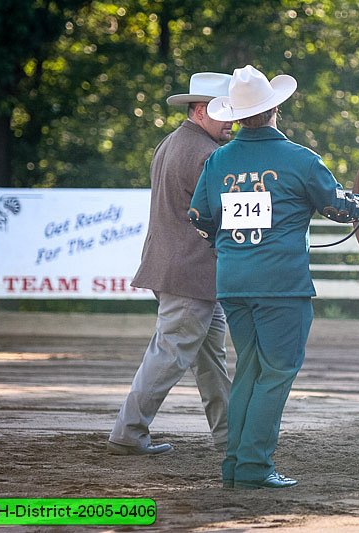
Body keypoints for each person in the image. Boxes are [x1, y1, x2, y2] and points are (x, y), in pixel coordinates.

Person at [189, 65, 359, 489]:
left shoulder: (218, 160)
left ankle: (235, 463)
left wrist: (230, 244)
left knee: (249, 368)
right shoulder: (300, 160)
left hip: (232, 282)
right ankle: (253, 465)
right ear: (274, 111)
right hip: (281, 285)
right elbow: (341, 207)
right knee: (278, 370)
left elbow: (198, 217)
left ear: (236, 115)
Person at [108, 72, 235, 455]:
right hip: (190, 272)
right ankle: (128, 431)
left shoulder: (172, 142)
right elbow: (223, 214)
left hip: (177, 268)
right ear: (199, 111)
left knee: (210, 357)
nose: (231, 120)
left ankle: (230, 437)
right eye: (223, 112)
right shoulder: (207, 155)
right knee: (170, 353)